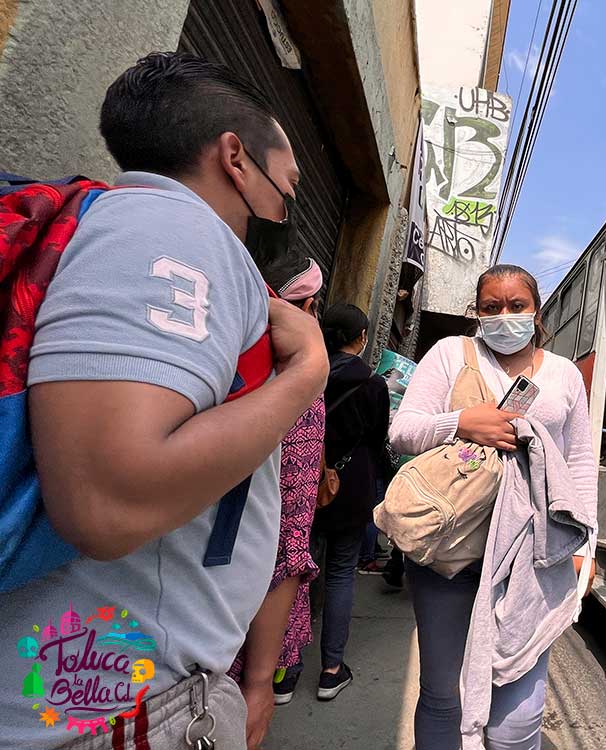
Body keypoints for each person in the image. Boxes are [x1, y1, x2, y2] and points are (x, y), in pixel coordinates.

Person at [1, 53, 328, 750]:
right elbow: (106, 501)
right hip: (115, 710)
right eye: (290, 184)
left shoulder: (135, 227)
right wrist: (304, 376)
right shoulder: (173, 230)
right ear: (235, 158)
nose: (287, 207)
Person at [390, 264, 598, 750]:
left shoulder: (564, 374)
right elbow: (401, 431)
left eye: (516, 306)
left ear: (536, 312)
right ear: (477, 314)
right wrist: (462, 422)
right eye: (491, 308)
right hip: (449, 549)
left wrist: (585, 550)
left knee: (519, 714)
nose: (505, 316)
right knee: (443, 695)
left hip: (531, 558)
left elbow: (580, 461)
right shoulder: (449, 354)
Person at [227, 256, 327, 743]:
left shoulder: (212, 335)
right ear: (309, 307)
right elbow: (288, 539)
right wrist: (261, 681)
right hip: (222, 636)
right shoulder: (300, 377)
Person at [310, 303, 390, 701]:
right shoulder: (374, 385)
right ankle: (330, 670)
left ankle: (282, 672)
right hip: (353, 482)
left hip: (304, 478)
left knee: (295, 570)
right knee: (341, 572)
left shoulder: (309, 374)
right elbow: (378, 440)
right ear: (361, 337)